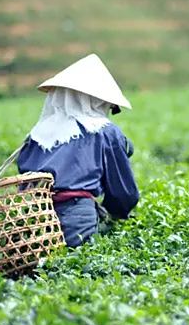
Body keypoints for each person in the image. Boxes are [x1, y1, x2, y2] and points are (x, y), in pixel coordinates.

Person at [17, 54, 139, 247]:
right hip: (76, 221)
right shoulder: (104, 131)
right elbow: (123, 192)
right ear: (97, 100)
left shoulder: (38, 133)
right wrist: (115, 213)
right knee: (72, 266)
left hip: (30, 222)